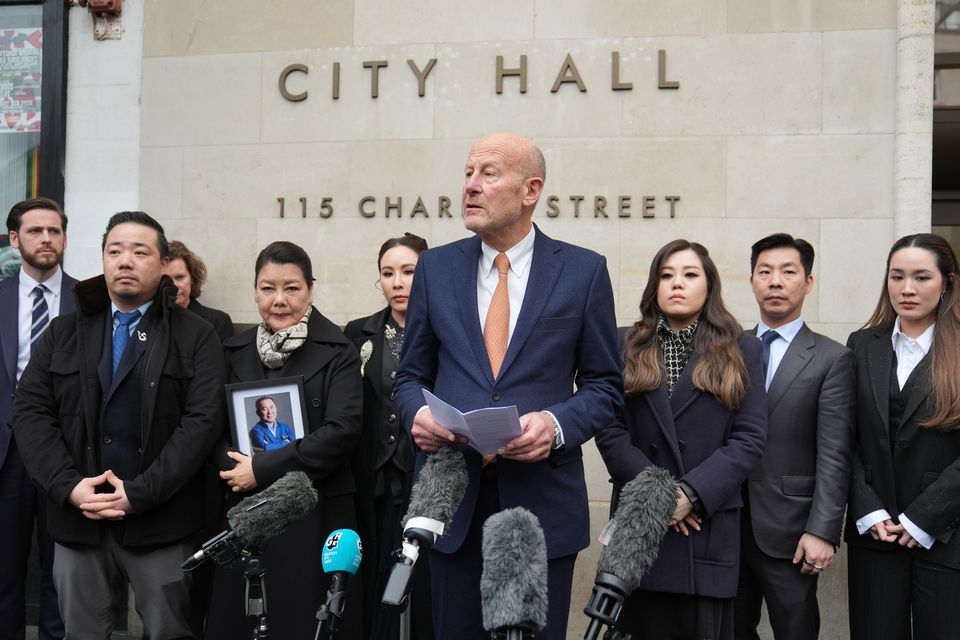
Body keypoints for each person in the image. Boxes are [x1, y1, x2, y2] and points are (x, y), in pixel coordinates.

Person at [394, 132, 622, 639]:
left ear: (531, 189)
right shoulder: (436, 267)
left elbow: (605, 386)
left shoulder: (583, 272)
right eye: (468, 172)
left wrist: (556, 424)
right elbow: (410, 376)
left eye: (488, 174)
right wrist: (418, 416)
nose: (470, 186)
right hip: (452, 506)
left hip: (541, 511)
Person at [12, 211, 226, 638]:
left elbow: (201, 424)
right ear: (104, 259)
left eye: (139, 251)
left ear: (165, 264)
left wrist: (140, 493)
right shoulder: (63, 332)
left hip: (161, 523)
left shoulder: (196, 335)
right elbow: (31, 413)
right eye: (115, 251)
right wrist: (69, 486)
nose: (125, 260)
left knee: (169, 631)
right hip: (79, 521)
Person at [595, 239, 767, 640]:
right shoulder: (624, 343)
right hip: (640, 526)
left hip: (704, 527)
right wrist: (660, 498)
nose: (677, 283)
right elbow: (608, 428)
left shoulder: (743, 349)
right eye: (667, 275)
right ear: (654, 285)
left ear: (709, 286)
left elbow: (750, 439)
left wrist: (691, 494)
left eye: (690, 275)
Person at [206, 241, 364, 640]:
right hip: (248, 507)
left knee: (307, 619)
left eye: (291, 288)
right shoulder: (232, 349)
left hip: (318, 507)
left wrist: (260, 468)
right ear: (255, 290)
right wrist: (235, 470)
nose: (279, 300)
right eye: (267, 288)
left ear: (310, 289)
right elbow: (208, 427)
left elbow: (342, 430)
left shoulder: (339, 350)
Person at [734, 233, 855, 640]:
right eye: (764, 272)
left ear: (808, 282)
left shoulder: (832, 358)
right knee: (726, 629)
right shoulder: (728, 349)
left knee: (796, 629)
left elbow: (835, 453)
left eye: (788, 272)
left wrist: (823, 530)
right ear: (751, 280)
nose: (775, 281)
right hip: (727, 519)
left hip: (792, 529)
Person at [846, 233, 960, 640]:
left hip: (947, 533)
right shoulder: (862, 345)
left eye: (921, 277)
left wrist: (923, 518)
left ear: (947, 282)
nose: (906, 289)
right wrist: (869, 510)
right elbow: (844, 439)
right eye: (897, 277)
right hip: (876, 534)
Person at [344, 232, 433, 640]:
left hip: (424, 477)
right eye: (388, 273)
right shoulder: (357, 333)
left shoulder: (445, 333)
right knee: (375, 571)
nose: (397, 282)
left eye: (409, 271)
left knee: (422, 580)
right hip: (373, 479)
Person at [0, 197, 73, 640]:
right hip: (6, 457)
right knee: (4, 575)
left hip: (66, 460)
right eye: (35, 231)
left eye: (55, 231)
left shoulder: (91, 302)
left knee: (61, 576)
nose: (46, 239)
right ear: (14, 239)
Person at [165, 240, 234, 342]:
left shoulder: (217, 321)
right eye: (166, 279)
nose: (174, 286)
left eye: (180, 277)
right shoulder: (148, 319)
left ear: (192, 279)